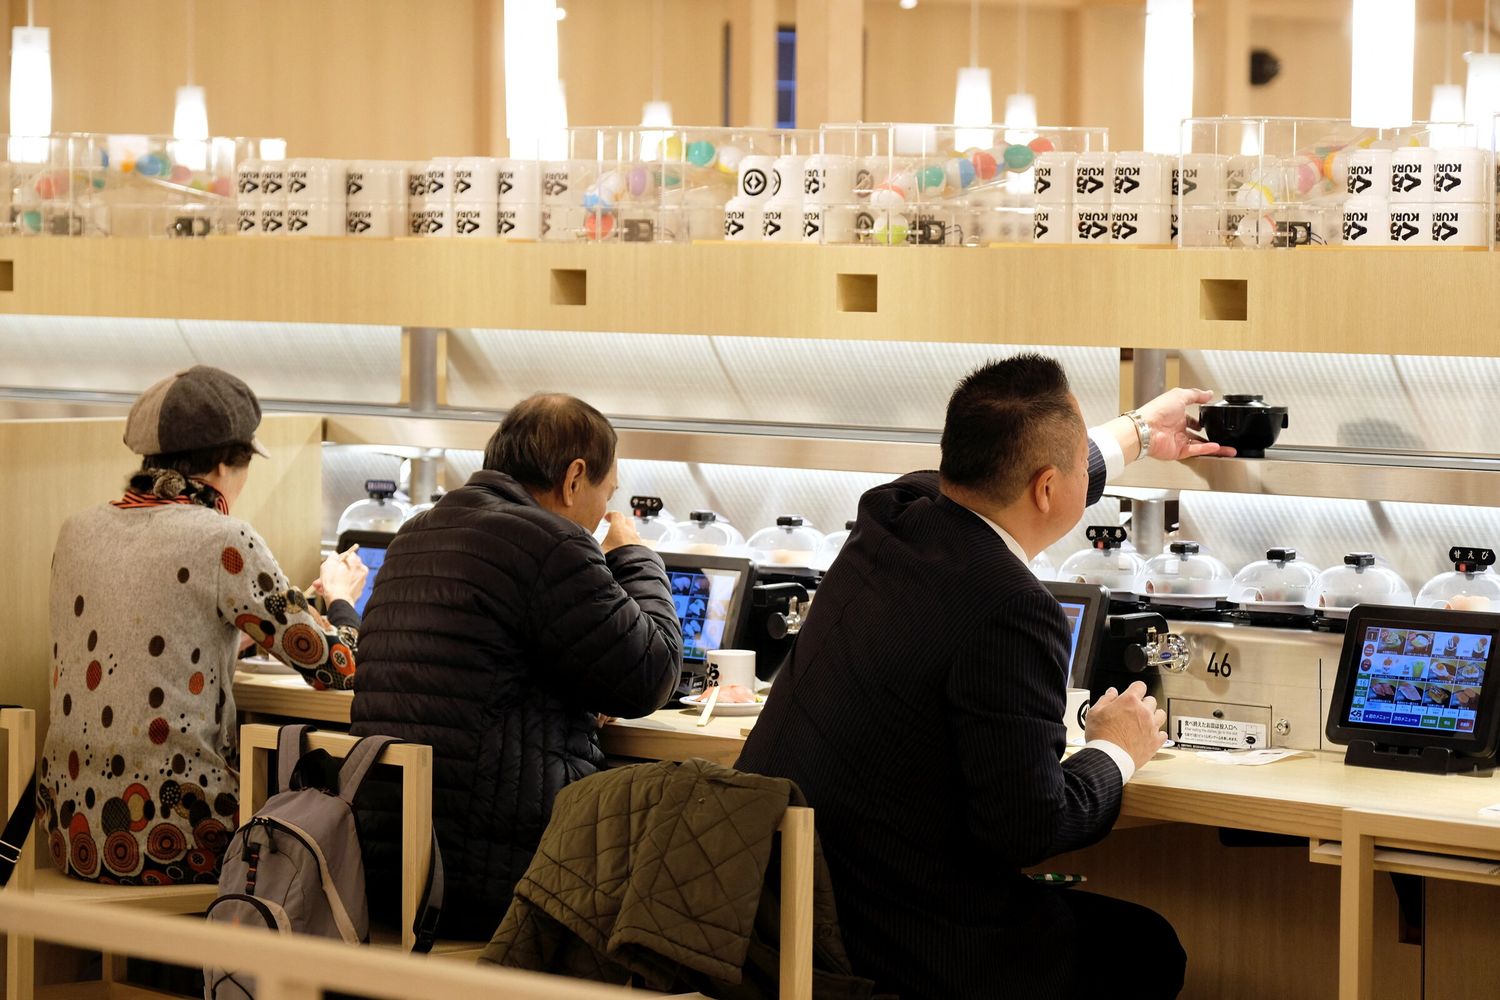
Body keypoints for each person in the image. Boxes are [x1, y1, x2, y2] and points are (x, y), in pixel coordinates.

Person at [736, 355, 1234, 1000]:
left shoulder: (893, 512)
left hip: (775, 916)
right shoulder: (1011, 606)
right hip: (900, 943)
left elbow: (1040, 470)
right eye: (1080, 463)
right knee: (1142, 947)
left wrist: (1139, 432)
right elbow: (1027, 828)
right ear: (1049, 488)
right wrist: (1117, 749)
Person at [350, 392, 683, 939]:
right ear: (575, 479)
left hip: (384, 862)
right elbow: (651, 675)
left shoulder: (415, 533)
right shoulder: (549, 542)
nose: (604, 512)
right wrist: (633, 555)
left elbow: (488, 675)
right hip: (491, 878)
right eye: (607, 492)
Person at [40, 366, 367, 885]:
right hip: (176, 835)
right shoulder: (222, 539)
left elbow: (151, 637)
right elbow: (341, 668)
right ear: (223, 464)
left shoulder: (78, 529)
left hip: (71, 832)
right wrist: (343, 601)